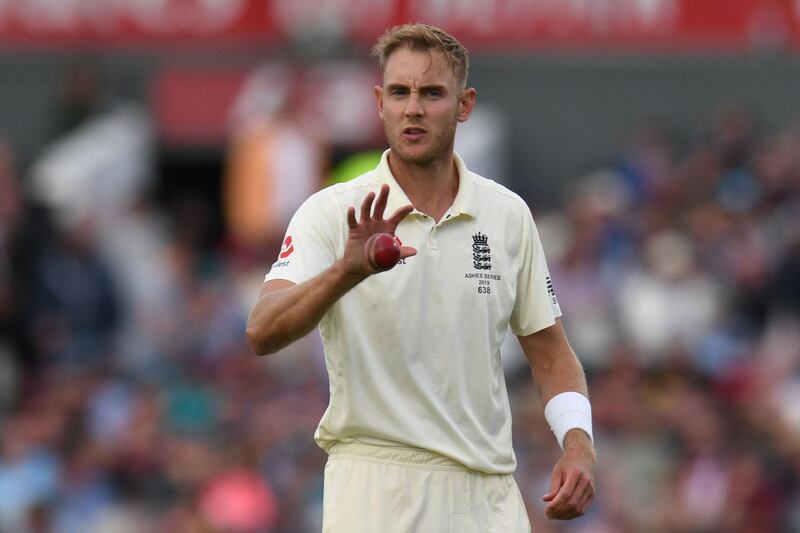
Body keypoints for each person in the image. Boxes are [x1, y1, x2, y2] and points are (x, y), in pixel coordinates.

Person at [246, 23, 595, 531]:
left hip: (487, 490)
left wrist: (579, 443)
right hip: (375, 487)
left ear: (464, 105)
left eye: (432, 93)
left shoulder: (507, 214)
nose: (413, 108)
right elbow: (262, 330)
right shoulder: (332, 211)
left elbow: (550, 352)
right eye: (400, 92)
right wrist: (347, 271)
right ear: (379, 102)